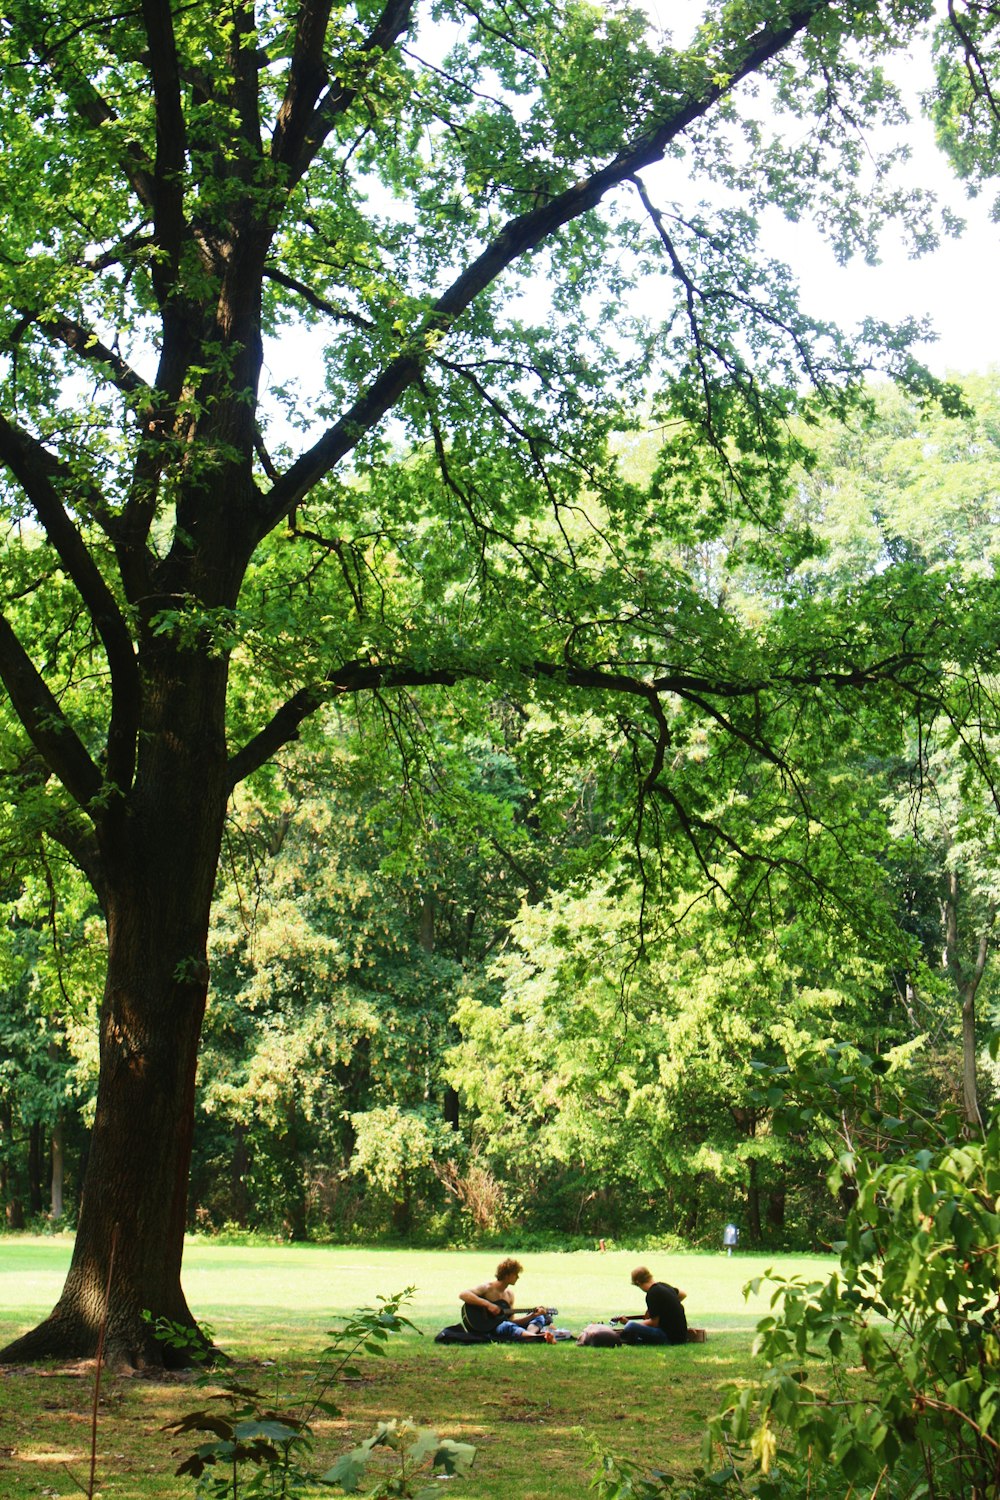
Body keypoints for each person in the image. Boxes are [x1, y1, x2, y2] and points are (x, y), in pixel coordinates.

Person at [458, 1257, 552, 1340]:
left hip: (506, 1325)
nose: (518, 1277)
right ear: (507, 1275)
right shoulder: (487, 1288)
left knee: (540, 1317)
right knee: (506, 1326)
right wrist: (488, 1304)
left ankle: (530, 1336)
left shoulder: (509, 1295)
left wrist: (532, 1316)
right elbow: (463, 1294)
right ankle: (533, 1337)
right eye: (516, 1274)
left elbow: (512, 1321)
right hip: (489, 1328)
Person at [615, 1265, 688, 1346]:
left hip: (668, 1337)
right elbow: (683, 1294)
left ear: (638, 1282)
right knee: (631, 1325)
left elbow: (654, 1323)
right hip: (681, 1336)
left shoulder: (652, 1293)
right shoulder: (664, 1286)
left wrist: (628, 1322)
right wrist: (668, 1307)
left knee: (630, 1326)